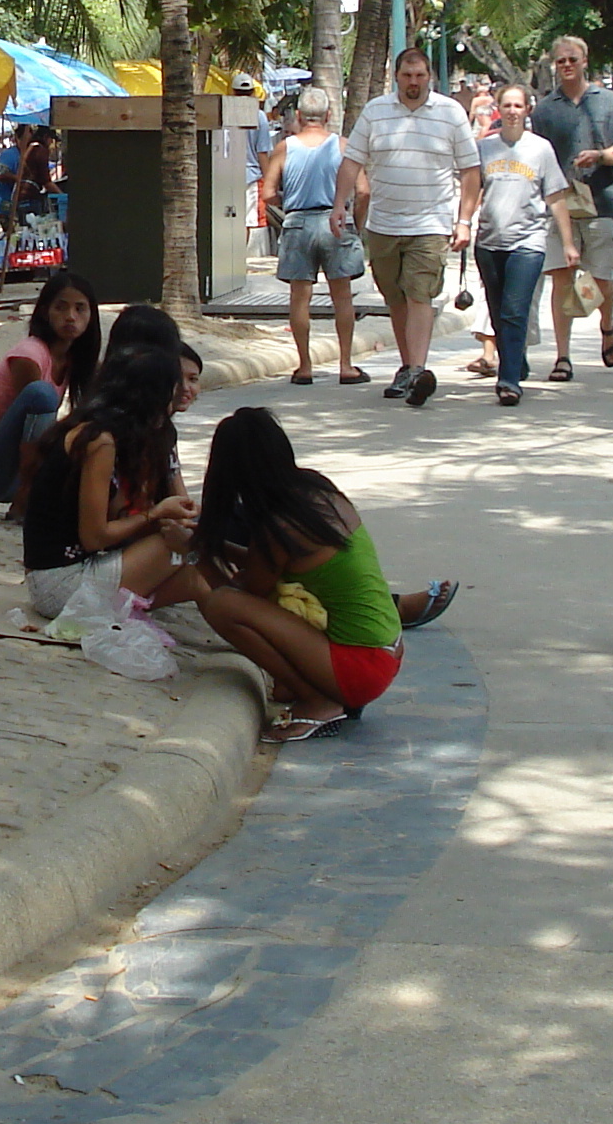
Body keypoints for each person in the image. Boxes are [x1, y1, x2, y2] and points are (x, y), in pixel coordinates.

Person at [190, 407, 459, 742]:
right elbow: (268, 565)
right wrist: (212, 547)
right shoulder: (313, 490)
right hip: (384, 652)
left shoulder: (278, 526)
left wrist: (195, 555)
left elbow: (240, 596)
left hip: (361, 667)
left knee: (221, 605)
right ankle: (311, 687)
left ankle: (319, 700)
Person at [342, 46, 483, 406]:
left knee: (420, 294)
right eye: (407, 75)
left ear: (430, 78)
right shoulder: (376, 112)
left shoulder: (450, 113)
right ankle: (407, 367)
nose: (413, 82)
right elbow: (352, 161)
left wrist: (464, 220)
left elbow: (470, 171)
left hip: (431, 223)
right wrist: (338, 207)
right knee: (396, 298)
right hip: (384, 224)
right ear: (397, 77)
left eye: (420, 76)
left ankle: (417, 370)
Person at [20, 343, 197, 627]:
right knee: (172, 545)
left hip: (72, 573)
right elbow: (95, 536)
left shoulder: (106, 433)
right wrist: (156, 514)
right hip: (59, 585)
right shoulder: (99, 441)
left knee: (195, 578)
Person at [530, 35, 613, 382]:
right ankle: (563, 356)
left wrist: (601, 156)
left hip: (602, 203)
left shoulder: (609, 102)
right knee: (562, 279)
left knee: (601, 277)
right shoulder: (544, 110)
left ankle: (607, 324)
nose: (567, 65)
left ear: (585, 62)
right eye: (561, 61)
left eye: (573, 59)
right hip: (561, 207)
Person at [258, 85, 370, 388]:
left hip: (298, 223)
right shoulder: (343, 146)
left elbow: (268, 193)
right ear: (328, 115)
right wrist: (356, 224)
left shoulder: (285, 147)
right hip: (336, 222)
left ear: (298, 115)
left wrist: (291, 202)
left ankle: (305, 366)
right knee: (342, 296)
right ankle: (346, 365)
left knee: (299, 298)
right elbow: (363, 190)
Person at [472, 84, 578, 405]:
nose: (513, 111)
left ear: (527, 110)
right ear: (499, 110)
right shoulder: (484, 149)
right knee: (497, 308)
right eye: (507, 105)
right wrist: (461, 223)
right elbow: (470, 192)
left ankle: (509, 380)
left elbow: (556, 197)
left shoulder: (541, 149)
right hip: (490, 241)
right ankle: (515, 360)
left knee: (515, 309)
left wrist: (569, 243)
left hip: (528, 241)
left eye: (518, 105)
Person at [0, 272, 100, 511]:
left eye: (80, 309)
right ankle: (27, 495)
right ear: (45, 312)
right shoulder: (29, 355)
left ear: (91, 316)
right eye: (61, 308)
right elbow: (33, 433)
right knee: (42, 394)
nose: (70, 317)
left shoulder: (78, 362)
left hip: (21, 470)